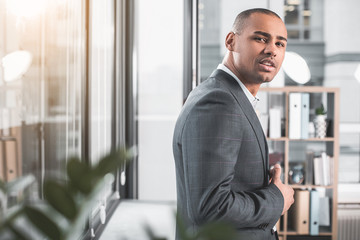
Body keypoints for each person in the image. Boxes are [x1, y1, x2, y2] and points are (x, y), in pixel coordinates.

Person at [172, 8, 294, 240]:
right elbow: (211, 209)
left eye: (280, 44)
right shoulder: (219, 101)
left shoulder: (228, 95)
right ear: (231, 41)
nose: (272, 50)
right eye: (261, 38)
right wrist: (277, 198)